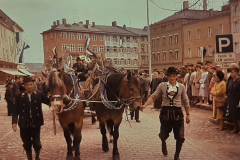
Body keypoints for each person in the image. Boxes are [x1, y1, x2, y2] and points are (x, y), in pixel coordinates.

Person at [142, 67, 190, 160]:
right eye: (170, 76)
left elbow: (185, 100)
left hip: (177, 113)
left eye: (174, 76)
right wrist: (146, 105)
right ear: (167, 76)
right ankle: (163, 142)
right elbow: (154, 96)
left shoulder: (181, 87)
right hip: (165, 113)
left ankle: (177, 156)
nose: (172, 78)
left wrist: (188, 115)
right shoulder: (162, 86)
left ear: (177, 76)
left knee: (180, 137)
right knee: (164, 134)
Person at [12, 76, 50, 160]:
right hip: (24, 122)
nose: (29, 86)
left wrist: (55, 100)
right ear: (24, 86)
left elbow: (48, 102)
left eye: (31, 84)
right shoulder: (19, 96)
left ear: (34, 85)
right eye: (27, 85)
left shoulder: (39, 94)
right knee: (26, 143)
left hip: (35, 122)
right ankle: (29, 158)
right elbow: (15, 110)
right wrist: (14, 122)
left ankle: (37, 156)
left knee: (36, 142)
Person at [225, 67, 240, 134]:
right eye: (231, 72)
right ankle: (235, 127)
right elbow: (228, 89)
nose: (231, 73)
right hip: (231, 98)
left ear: (237, 73)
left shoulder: (239, 81)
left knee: (238, 115)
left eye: (233, 72)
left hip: (237, 99)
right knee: (233, 114)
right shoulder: (231, 81)